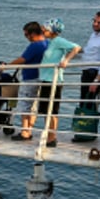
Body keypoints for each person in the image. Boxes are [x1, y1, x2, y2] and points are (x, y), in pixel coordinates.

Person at [35, 18, 81, 147]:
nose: (42, 30)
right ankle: (49, 134)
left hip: (53, 80)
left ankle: (52, 137)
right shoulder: (51, 42)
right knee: (45, 110)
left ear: (51, 30)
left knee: (52, 110)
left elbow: (76, 47)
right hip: (46, 79)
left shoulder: (59, 41)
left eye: (45, 29)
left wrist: (66, 60)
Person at [5, 21, 47, 141]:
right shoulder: (47, 43)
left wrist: (8, 65)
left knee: (25, 104)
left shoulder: (35, 45)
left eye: (26, 35)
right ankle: (29, 129)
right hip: (42, 77)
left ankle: (25, 132)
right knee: (34, 106)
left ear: (32, 34)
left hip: (30, 78)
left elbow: (23, 59)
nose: (26, 38)